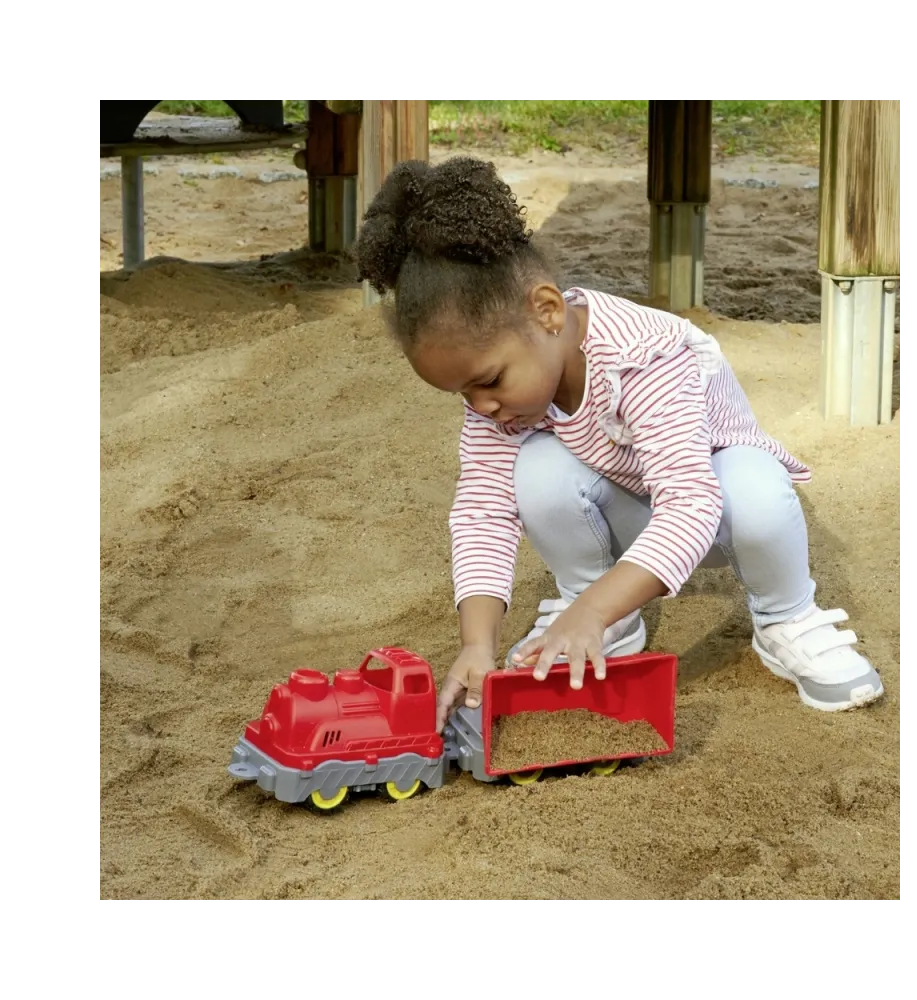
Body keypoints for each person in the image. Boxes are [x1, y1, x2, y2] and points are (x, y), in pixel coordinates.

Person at [352, 156, 885, 734]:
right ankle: (604, 620)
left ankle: (788, 618)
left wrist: (593, 610)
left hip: (714, 506)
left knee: (754, 484)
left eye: (488, 380)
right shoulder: (501, 398)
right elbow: (483, 511)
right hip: (634, 513)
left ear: (548, 311)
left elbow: (691, 504)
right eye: (461, 392)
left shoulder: (644, 355)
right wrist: (478, 643)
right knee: (535, 468)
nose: (481, 406)